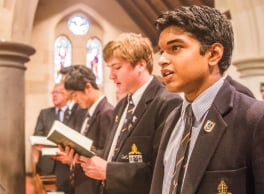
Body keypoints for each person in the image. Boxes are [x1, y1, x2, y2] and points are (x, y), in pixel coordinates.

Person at [150, 5, 264, 194]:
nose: (161, 60)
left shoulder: (256, 119)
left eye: (175, 48)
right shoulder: (173, 118)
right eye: (162, 51)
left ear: (213, 54)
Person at [75, 33, 182, 194]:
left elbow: (162, 171)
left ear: (140, 65)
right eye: (110, 69)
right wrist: (82, 155)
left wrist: (108, 171)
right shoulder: (122, 105)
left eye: (117, 67)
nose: (111, 76)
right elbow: (114, 154)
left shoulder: (167, 103)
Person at [54, 65, 114, 194]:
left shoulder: (107, 112)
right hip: (81, 182)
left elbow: (108, 154)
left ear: (88, 87)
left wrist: (78, 156)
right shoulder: (87, 110)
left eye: (75, 95)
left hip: (93, 185)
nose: (75, 100)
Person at [32, 83, 68, 176]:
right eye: (53, 93)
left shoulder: (74, 113)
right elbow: (37, 135)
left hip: (67, 164)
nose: (54, 95)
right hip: (47, 162)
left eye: (58, 92)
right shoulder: (44, 113)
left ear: (67, 94)